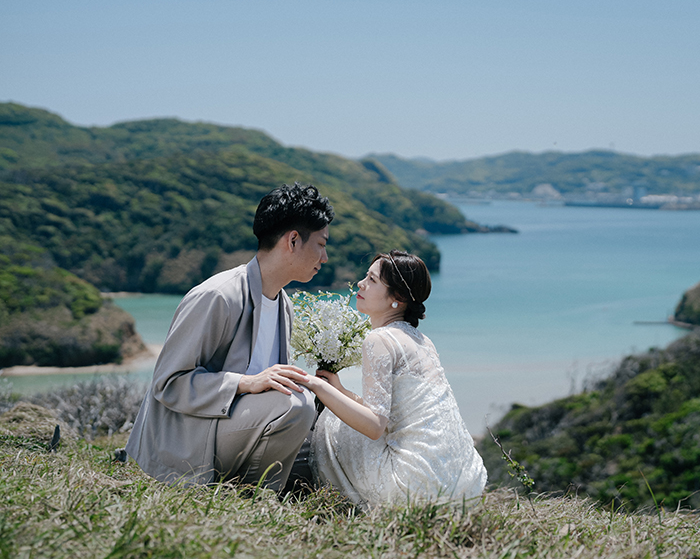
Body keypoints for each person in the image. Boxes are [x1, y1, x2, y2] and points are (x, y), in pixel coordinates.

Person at [126, 183, 334, 492]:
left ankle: (251, 487)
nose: (325, 257)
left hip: (236, 426)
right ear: (292, 241)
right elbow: (168, 383)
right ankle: (255, 495)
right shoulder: (218, 296)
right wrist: (244, 382)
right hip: (188, 437)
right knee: (297, 407)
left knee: (326, 443)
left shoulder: (284, 306)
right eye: (320, 243)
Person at [306, 249, 487, 506]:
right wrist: (341, 391)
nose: (361, 283)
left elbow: (375, 426)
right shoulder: (422, 340)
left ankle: (332, 500)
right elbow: (395, 415)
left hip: (411, 484)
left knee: (332, 421)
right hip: (463, 484)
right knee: (341, 407)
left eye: (372, 280)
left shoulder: (379, 339)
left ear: (398, 297)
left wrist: (314, 384)